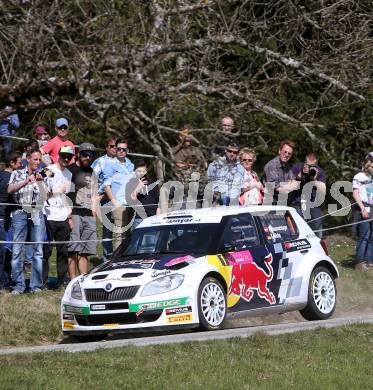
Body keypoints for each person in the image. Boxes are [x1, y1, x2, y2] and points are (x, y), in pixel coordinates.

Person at [7, 150, 47, 294]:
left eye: (39, 160)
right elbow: (10, 189)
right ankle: (18, 285)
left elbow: (47, 196)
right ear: (28, 159)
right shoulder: (17, 173)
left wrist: (41, 182)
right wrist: (26, 181)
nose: (38, 162)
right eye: (35, 159)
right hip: (20, 212)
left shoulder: (42, 174)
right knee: (17, 249)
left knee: (38, 250)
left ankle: (35, 285)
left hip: (37, 212)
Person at [44, 145, 73, 288]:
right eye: (64, 156)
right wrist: (55, 191)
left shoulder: (69, 173)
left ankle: (61, 282)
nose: (66, 159)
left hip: (63, 216)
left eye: (69, 156)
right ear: (58, 155)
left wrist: (69, 215)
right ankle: (42, 281)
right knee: (46, 251)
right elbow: (41, 193)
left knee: (63, 251)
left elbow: (67, 196)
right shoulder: (49, 170)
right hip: (49, 215)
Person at [67, 143, 97, 279]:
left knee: (86, 250)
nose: (88, 157)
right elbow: (66, 195)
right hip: (75, 212)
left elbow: (94, 194)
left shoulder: (92, 172)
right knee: (73, 248)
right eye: (85, 154)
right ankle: (73, 280)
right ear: (78, 153)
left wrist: (94, 214)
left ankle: (83, 279)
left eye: (91, 155)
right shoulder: (70, 170)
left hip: (89, 213)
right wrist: (69, 217)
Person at [102, 139, 134, 251]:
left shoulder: (131, 164)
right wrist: (114, 202)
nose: (120, 151)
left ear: (127, 151)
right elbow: (106, 185)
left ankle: (125, 258)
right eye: (118, 149)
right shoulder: (110, 165)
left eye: (123, 149)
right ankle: (116, 260)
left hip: (130, 204)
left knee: (128, 234)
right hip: (118, 204)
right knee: (119, 234)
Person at [91, 137, 117, 259]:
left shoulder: (123, 161)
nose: (115, 148)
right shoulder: (100, 161)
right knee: (108, 229)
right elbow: (92, 179)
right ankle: (107, 258)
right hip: (105, 199)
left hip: (121, 199)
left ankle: (120, 257)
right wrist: (96, 196)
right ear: (106, 148)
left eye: (116, 146)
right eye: (112, 146)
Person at [0, 153, 22, 292]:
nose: (21, 165)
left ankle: (5, 281)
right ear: (12, 163)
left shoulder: (1, 175)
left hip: (3, 217)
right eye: (19, 163)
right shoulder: (10, 178)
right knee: (5, 251)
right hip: (4, 218)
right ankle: (3, 282)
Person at [292, 153, 326, 236]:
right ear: (305, 162)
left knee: (317, 230)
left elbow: (322, 189)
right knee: (298, 230)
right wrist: (300, 175)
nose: (310, 168)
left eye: (312, 166)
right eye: (308, 165)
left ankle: (317, 246)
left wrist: (314, 179)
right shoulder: (297, 167)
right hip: (297, 203)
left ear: (316, 163)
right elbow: (288, 184)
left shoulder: (319, 172)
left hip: (313, 204)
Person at [171, 126, 207, 207]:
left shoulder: (197, 150)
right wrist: (193, 166)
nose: (188, 136)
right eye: (185, 134)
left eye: (190, 134)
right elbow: (179, 166)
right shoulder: (175, 151)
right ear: (180, 136)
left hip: (198, 191)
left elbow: (205, 165)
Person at [352, 154, 373, 272]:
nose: (371, 164)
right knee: (364, 236)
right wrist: (362, 208)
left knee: (372, 237)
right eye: (370, 161)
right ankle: (360, 262)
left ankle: (369, 261)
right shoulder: (359, 176)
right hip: (364, 207)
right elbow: (355, 193)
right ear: (366, 162)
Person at [126, 159, 160, 230]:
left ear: (146, 171)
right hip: (139, 218)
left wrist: (158, 215)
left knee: (152, 240)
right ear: (134, 171)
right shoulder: (131, 183)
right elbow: (131, 200)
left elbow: (158, 201)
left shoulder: (153, 184)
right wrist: (138, 187)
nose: (141, 173)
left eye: (143, 171)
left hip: (153, 217)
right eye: (139, 171)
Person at [263, 140, 298, 205]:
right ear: (279, 151)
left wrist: (289, 185)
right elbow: (280, 189)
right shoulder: (271, 166)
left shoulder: (288, 166)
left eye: (289, 153)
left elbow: (294, 183)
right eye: (285, 152)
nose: (286, 155)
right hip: (272, 203)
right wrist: (290, 185)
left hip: (284, 201)